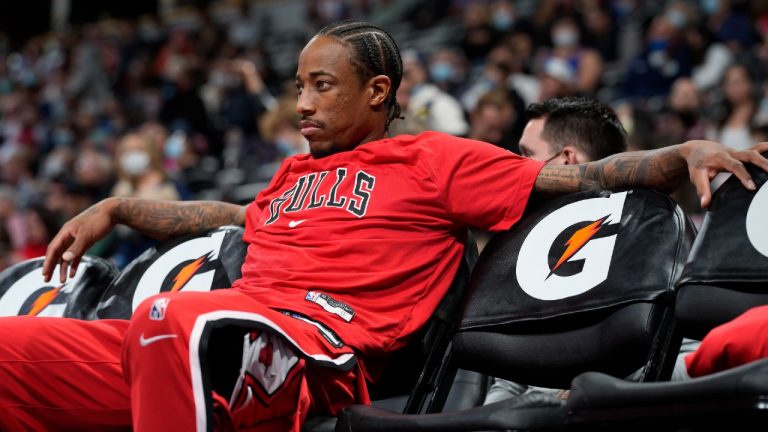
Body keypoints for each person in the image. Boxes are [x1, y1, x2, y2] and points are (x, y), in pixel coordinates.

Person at [0, 20, 766, 432]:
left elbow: (581, 175)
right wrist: (122, 207)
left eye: (321, 86)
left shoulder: (435, 158)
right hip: (221, 330)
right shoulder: (294, 175)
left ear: (377, 92)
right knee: (11, 349)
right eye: (298, 86)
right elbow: (228, 217)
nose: (300, 103)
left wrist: (679, 154)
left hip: (315, 348)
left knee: (177, 318)